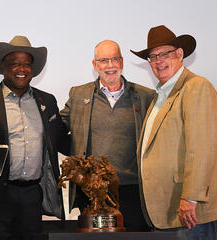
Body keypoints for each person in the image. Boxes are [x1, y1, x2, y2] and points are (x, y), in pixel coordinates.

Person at [0, 35, 70, 240]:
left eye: (26, 64)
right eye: (15, 64)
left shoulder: (47, 101)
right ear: (3, 67)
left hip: (32, 194)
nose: (21, 69)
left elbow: (60, 138)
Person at [131, 25, 217, 239]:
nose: (158, 61)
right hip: (165, 214)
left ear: (180, 54)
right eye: (153, 57)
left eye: (165, 54)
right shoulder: (159, 95)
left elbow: (203, 148)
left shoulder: (196, 86)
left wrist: (190, 198)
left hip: (190, 215)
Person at [60, 40, 155, 232]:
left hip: (132, 191)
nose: (110, 66)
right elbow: (58, 130)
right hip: (92, 193)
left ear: (121, 61)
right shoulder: (79, 95)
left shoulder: (146, 96)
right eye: (103, 60)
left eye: (114, 59)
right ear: (95, 65)